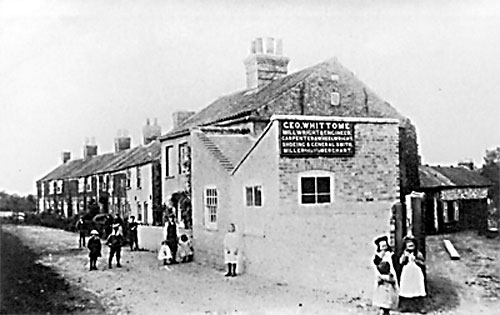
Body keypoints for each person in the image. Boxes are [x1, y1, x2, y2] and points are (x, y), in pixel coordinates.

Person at [399, 236, 426, 311]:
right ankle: (405, 306)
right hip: (407, 272)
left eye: (412, 245)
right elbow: (401, 262)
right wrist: (405, 257)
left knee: (418, 288)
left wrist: (417, 260)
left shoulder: (418, 254)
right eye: (409, 246)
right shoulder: (404, 254)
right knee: (406, 287)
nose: (411, 247)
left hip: (416, 272)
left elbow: (423, 263)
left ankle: (420, 306)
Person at [372, 235, 399, 314]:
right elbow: (376, 264)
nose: (384, 248)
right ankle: (382, 310)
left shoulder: (390, 255)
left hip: (390, 277)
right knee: (382, 296)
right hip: (381, 279)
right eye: (382, 246)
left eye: (385, 246)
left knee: (389, 296)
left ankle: (387, 310)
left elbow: (394, 265)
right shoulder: (377, 256)